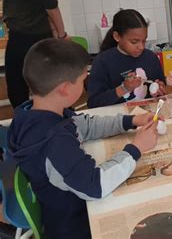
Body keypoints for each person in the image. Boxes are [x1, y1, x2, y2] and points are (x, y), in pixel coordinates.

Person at [7, 39, 160, 239]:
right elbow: (96, 185)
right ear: (64, 89)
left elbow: (85, 126)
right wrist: (136, 148)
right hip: (76, 225)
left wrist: (132, 120)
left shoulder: (38, 112)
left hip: (71, 206)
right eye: (81, 81)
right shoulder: (53, 142)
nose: (84, 86)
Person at [87, 9, 166, 108]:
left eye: (144, 41)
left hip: (148, 117)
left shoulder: (150, 58)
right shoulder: (102, 62)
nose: (141, 47)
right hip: (118, 120)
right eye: (134, 42)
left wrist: (159, 89)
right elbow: (94, 103)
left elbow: (161, 90)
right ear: (117, 36)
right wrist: (124, 88)